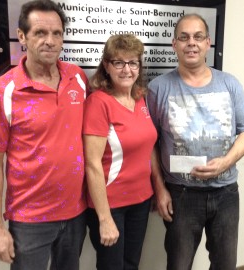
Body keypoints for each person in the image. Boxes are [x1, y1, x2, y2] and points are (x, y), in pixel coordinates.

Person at [0, 0, 88, 269]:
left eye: (57, 33)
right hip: (29, 220)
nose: (50, 41)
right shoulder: (2, 91)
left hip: (76, 213)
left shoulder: (78, 78)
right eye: (40, 33)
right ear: (22, 36)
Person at [146, 13, 244, 270]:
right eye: (183, 37)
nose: (191, 43)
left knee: (225, 264)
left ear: (208, 43)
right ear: (174, 45)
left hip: (226, 193)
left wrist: (225, 162)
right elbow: (150, 142)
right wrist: (159, 189)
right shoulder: (158, 88)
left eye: (197, 37)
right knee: (179, 264)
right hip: (181, 195)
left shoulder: (230, 84)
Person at [83, 34, 157, 270]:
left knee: (131, 264)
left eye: (133, 62)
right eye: (119, 62)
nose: (127, 69)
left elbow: (149, 148)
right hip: (110, 205)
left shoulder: (141, 99)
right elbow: (92, 163)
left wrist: (158, 188)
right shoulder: (99, 103)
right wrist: (104, 219)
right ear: (106, 66)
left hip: (142, 200)